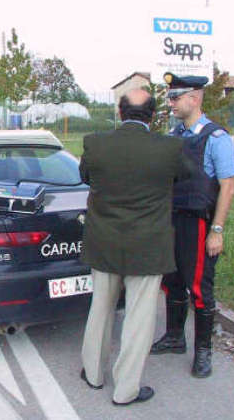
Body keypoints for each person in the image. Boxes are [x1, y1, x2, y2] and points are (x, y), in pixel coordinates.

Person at [80, 89, 190, 405]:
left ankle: (93, 374)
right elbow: (186, 175)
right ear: (153, 115)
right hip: (148, 245)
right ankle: (126, 390)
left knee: (100, 309)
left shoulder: (95, 143)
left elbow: (84, 175)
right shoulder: (170, 148)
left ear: (119, 111)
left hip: (104, 242)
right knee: (139, 320)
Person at [150, 73, 234, 378]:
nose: (171, 103)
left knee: (200, 288)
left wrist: (217, 230)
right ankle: (175, 337)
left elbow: (227, 187)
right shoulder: (174, 136)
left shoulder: (216, 138)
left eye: (176, 97)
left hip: (198, 225)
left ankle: (204, 352)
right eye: (169, 97)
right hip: (171, 222)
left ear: (195, 98)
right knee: (171, 281)